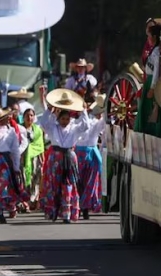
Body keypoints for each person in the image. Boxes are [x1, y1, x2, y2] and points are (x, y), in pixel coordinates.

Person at [38, 86, 90, 223]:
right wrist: (49, 110)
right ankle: (53, 211)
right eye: (63, 119)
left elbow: (86, 126)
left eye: (67, 119)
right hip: (55, 157)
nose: (65, 121)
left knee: (69, 184)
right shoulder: (53, 127)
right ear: (59, 119)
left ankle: (67, 213)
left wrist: (83, 110)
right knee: (54, 183)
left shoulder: (74, 127)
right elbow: (43, 123)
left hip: (69, 156)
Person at [75, 95, 108, 220]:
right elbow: (85, 126)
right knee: (78, 182)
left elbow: (104, 122)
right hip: (79, 153)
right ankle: (78, 205)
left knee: (91, 181)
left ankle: (85, 206)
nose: (86, 107)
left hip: (92, 152)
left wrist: (105, 108)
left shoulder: (95, 122)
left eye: (88, 105)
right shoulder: (75, 122)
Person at [133, 25, 161, 136]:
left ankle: (150, 131)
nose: (148, 39)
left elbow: (156, 71)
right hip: (148, 80)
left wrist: (152, 87)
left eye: (149, 36)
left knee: (149, 109)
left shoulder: (157, 51)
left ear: (155, 36)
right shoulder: (154, 49)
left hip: (152, 82)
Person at [19, 107, 44, 212]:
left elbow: (40, 145)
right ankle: (23, 202)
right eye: (27, 115)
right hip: (22, 157)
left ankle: (32, 201)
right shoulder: (19, 128)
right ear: (23, 117)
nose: (29, 117)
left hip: (35, 157)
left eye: (31, 115)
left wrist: (42, 159)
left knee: (35, 179)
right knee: (23, 179)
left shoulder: (38, 130)